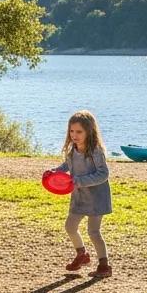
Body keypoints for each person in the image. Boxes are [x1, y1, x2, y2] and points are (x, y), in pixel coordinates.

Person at [54, 109, 113, 279]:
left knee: (94, 232)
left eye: (79, 131)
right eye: (72, 131)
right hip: (79, 197)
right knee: (70, 227)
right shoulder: (73, 150)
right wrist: (55, 172)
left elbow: (103, 174)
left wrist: (79, 181)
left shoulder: (96, 151)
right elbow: (68, 164)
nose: (75, 135)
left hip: (97, 198)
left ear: (89, 131)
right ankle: (82, 255)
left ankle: (104, 265)